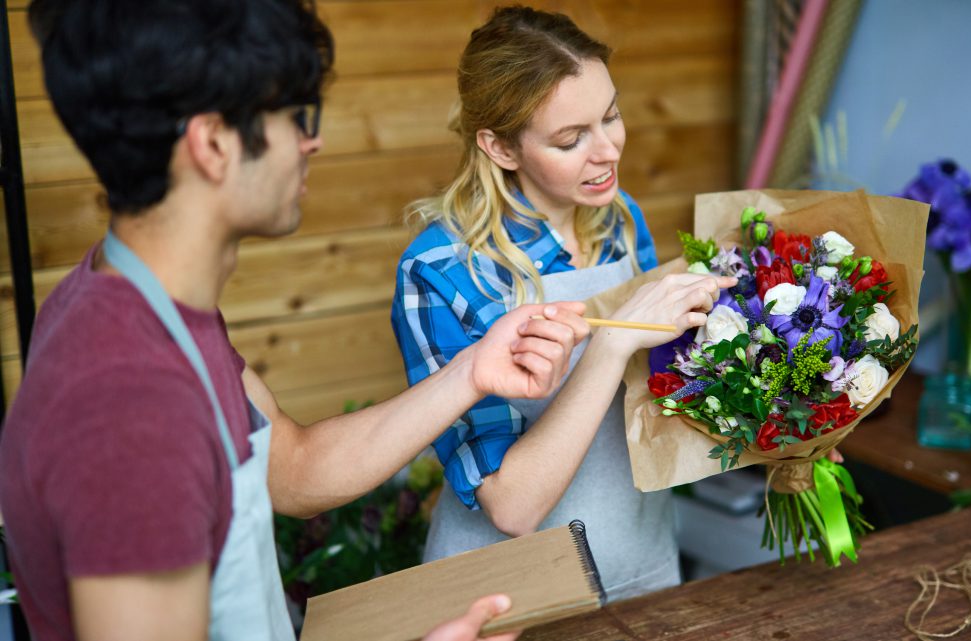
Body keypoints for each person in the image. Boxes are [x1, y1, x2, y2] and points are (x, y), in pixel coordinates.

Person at [0, 1, 590, 640]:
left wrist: (473, 373)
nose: (315, 141)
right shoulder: (129, 401)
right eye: (297, 116)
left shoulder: (144, 309)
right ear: (214, 142)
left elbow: (292, 467)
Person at [392, 6, 735, 602]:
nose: (607, 152)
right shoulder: (440, 272)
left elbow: (653, 397)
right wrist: (613, 343)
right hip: (507, 595)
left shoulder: (619, 218)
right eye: (571, 139)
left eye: (611, 116)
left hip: (641, 558)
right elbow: (511, 505)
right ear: (500, 147)